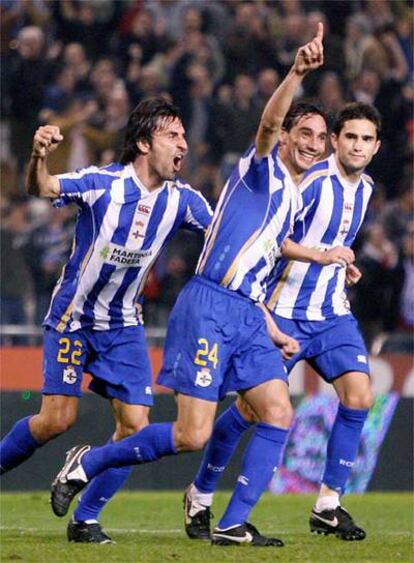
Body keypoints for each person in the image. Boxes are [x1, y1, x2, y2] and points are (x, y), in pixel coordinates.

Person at [49, 24, 354, 547]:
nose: (310, 143)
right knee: (192, 435)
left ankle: (233, 523)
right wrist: (298, 74)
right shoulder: (261, 169)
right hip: (209, 307)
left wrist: (293, 298)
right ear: (285, 139)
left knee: (277, 410)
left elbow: (258, 259)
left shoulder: (295, 200)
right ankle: (90, 462)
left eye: (319, 138)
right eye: (302, 133)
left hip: (247, 312)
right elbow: (268, 122)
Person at [0, 97, 213, 544]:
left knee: (135, 427)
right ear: (141, 142)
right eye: (172, 135)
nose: (183, 145)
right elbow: (43, 187)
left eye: (183, 136)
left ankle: (86, 519)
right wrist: (38, 155)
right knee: (56, 420)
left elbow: (229, 234)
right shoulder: (102, 185)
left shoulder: (182, 202)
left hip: (123, 326)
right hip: (73, 319)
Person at [183, 101, 381, 543]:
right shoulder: (311, 182)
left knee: (360, 396)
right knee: (252, 411)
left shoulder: (365, 188)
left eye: (366, 139)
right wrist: (319, 256)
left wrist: (340, 265)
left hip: (331, 313)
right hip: (283, 311)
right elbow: (276, 237)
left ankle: (328, 505)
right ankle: (201, 491)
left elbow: (333, 241)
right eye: (350, 136)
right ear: (334, 141)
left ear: (376, 147)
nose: (357, 146)